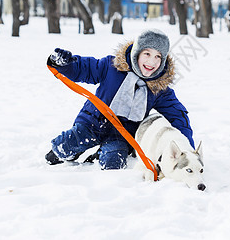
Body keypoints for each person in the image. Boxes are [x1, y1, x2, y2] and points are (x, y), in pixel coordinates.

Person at [45, 29, 195, 170]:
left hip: (121, 134)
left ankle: (99, 156)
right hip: (92, 122)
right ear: (137, 53)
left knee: (113, 161)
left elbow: (178, 116)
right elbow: (86, 69)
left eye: (158, 57)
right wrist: (66, 64)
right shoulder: (112, 67)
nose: (152, 62)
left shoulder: (159, 89)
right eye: (147, 54)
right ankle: (70, 152)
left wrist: (186, 148)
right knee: (63, 147)